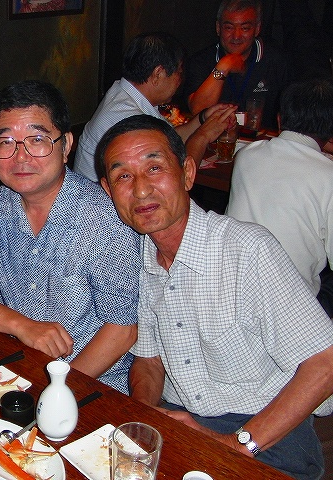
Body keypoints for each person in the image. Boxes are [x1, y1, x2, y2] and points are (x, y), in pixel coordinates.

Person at [96, 114, 333, 479]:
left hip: (264, 428)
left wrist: (234, 446)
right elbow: (149, 361)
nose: (140, 190)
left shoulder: (247, 250)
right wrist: (144, 415)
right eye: (123, 176)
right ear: (108, 191)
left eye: (154, 168)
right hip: (182, 419)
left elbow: (324, 364)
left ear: (187, 173)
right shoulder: (139, 257)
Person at [0, 80, 141, 393]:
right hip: (14, 371)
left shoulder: (106, 218)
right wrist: (22, 326)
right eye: (6, 142)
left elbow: (123, 329)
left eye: (37, 139)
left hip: (91, 383)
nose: (21, 157)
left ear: (66, 145)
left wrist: (57, 390)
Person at [226, 78, 333, 317]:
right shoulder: (328, 176)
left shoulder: (247, 155)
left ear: (279, 119)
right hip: (287, 309)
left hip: (231, 291)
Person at [74, 31, 235, 182]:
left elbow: (168, 140)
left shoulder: (123, 93)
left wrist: (202, 119)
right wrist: (203, 136)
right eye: (179, 73)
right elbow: (180, 179)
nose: (180, 81)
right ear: (158, 74)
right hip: (103, 203)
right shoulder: (126, 116)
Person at [184, 0, 289, 129]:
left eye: (245, 28)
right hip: (216, 139)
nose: (236, 36)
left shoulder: (276, 60)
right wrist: (224, 67)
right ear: (218, 28)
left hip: (262, 139)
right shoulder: (201, 61)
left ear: (257, 29)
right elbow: (198, 111)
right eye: (229, 28)